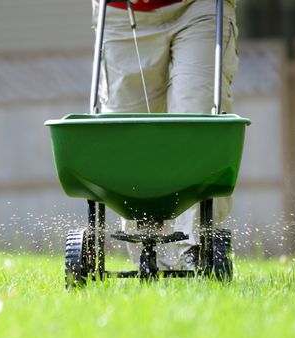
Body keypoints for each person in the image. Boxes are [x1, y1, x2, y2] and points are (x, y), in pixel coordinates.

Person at [91, 0, 238, 269]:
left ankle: (196, 249)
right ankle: (150, 254)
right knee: (129, 133)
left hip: (199, 8)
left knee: (198, 114)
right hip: (123, 13)